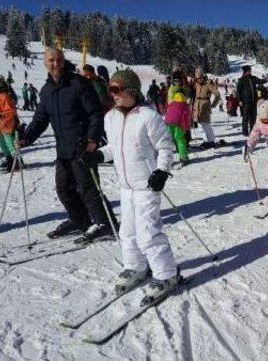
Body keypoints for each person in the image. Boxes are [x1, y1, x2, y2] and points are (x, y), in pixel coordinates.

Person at [91, 69, 180, 300]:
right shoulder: (110, 117)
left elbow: (165, 146)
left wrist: (162, 171)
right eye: (110, 90)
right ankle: (136, 266)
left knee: (148, 233)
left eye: (116, 89)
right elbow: (114, 148)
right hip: (125, 186)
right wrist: (98, 156)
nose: (113, 95)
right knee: (127, 231)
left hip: (146, 186)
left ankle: (166, 274)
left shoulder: (148, 116)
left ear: (131, 90)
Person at [19, 47, 114, 242]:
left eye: (59, 59)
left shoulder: (78, 83)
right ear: (45, 63)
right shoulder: (46, 91)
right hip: (63, 150)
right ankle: (82, 221)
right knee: (64, 189)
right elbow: (39, 120)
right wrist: (25, 138)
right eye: (51, 60)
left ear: (63, 61)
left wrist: (92, 139)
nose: (55, 63)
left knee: (87, 187)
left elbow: (95, 113)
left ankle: (104, 223)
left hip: (82, 146)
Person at [0, 81, 21, 172]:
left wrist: (0, 115)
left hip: (7, 125)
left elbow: (11, 111)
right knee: (4, 146)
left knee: (10, 145)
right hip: (0, 126)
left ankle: (18, 163)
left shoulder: (3, 96)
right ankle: (10, 162)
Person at [165, 72, 192, 167]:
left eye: (179, 80)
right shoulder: (173, 89)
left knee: (171, 139)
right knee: (179, 138)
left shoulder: (180, 89)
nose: (177, 82)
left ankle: (168, 159)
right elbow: (170, 102)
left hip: (170, 118)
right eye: (175, 81)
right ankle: (183, 157)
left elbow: (169, 103)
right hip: (178, 118)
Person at [192, 67, 222, 149]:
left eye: (199, 77)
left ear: (203, 76)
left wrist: (213, 105)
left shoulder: (208, 83)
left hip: (205, 105)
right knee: (200, 124)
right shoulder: (197, 84)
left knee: (206, 124)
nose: (198, 79)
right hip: (197, 105)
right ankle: (206, 141)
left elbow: (217, 94)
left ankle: (211, 141)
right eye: (197, 78)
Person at [236, 65, 268, 136]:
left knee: (253, 117)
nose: (251, 71)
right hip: (246, 101)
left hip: (254, 101)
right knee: (246, 117)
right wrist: (240, 100)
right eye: (249, 70)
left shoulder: (253, 78)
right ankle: (245, 132)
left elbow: (260, 81)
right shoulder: (241, 80)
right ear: (246, 71)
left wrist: (265, 80)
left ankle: (252, 131)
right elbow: (238, 91)